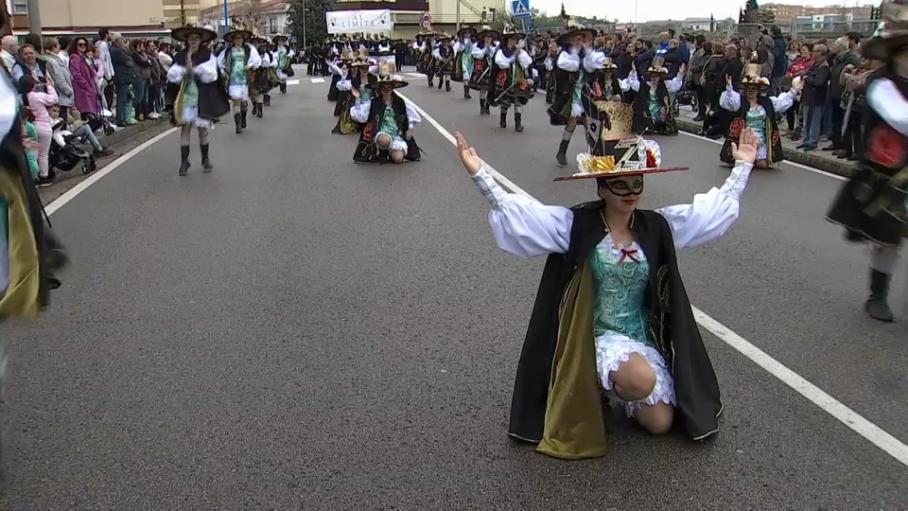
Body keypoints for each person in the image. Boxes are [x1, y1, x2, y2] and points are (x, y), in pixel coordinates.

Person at [452, 113, 761, 458]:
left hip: (639, 337)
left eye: (637, 183)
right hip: (591, 338)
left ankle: (612, 386)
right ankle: (593, 383)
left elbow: (707, 215)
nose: (631, 194)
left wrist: (742, 168)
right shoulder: (576, 225)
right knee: (641, 380)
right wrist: (480, 173)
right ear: (601, 185)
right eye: (620, 184)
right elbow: (521, 214)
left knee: (660, 423)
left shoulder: (655, 227)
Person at [827, 3, 908, 323]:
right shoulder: (881, 85)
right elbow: (901, 119)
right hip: (889, 173)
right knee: (888, 242)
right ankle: (878, 295)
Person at [166, 25, 229, 176]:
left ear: (201, 40)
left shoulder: (208, 55)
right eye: (190, 38)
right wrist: (184, 69)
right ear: (187, 40)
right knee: (185, 128)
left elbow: (212, 75)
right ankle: (184, 161)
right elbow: (172, 75)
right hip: (185, 96)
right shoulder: (180, 56)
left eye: (196, 38)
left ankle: (205, 158)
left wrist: (194, 70)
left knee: (202, 129)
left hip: (202, 96)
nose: (193, 41)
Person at [719, 62, 801, 169]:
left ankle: (756, 158)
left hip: (761, 140)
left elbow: (781, 102)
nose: (751, 91)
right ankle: (744, 157)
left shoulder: (767, 102)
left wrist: (794, 90)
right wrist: (729, 88)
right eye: (748, 88)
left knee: (762, 165)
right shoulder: (740, 101)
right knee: (745, 163)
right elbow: (730, 102)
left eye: (754, 89)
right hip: (745, 140)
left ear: (758, 90)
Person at [351, 67, 421, 164]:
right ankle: (382, 150)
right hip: (381, 133)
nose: (386, 90)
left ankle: (390, 152)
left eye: (389, 87)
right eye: (384, 87)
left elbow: (412, 116)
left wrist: (410, 128)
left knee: (398, 159)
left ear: (392, 88)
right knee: (385, 140)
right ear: (380, 88)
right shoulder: (374, 102)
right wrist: (358, 99)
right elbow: (360, 116)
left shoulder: (399, 102)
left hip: (396, 135)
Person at [217, 28, 262, 135]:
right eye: (236, 38)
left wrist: (249, 65)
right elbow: (219, 62)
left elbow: (257, 60)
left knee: (244, 103)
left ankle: (243, 118)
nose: (238, 40)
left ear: (243, 39)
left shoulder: (248, 49)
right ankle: (237, 125)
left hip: (245, 79)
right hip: (233, 80)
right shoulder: (228, 51)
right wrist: (224, 71)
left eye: (240, 38)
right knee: (236, 100)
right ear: (233, 40)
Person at [622, 56, 682, 135]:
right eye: (652, 76)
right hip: (646, 111)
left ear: (660, 77)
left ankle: (659, 124)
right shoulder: (644, 85)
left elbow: (675, 86)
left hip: (658, 112)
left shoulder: (664, 85)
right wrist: (633, 72)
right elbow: (633, 83)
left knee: (663, 110)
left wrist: (680, 74)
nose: (654, 78)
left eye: (656, 76)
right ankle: (649, 123)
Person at [488, 31, 534, 132]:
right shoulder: (501, 52)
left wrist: (530, 76)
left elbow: (528, 64)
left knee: (518, 101)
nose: (516, 41)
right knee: (505, 101)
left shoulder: (521, 52)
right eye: (514, 39)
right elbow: (501, 64)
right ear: (509, 40)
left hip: (519, 79)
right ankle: (503, 119)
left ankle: (518, 124)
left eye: (517, 39)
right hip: (506, 79)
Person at [19, 75, 57, 187]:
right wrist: (49, 86)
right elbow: (54, 99)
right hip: (44, 125)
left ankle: (33, 177)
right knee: (43, 154)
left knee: (33, 154)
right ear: (33, 85)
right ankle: (44, 176)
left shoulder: (20, 98)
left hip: (30, 126)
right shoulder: (36, 96)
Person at [798, 44, 830, 151]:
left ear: (821, 53)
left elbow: (819, 82)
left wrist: (807, 78)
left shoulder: (824, 67)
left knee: (814, 121)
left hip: (816, 98)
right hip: (808, 96)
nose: (813, 53)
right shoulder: (815, 64)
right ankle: (806, 139)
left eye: (816, 51)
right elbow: (810, 73)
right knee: (807, 119)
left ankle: (812, 141)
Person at [333, 58, 375, 135]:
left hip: (371, 102)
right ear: (359, 69)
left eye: (366, 68)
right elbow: (354, 95)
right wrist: (358, 98)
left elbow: (377, 93)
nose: (365, 70)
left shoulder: (373, 78)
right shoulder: (355, 81)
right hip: (359, 103)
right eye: (363, 68)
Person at [68, 36, 102, 120]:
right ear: (75, 45)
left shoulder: (83, 57)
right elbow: (76, 74)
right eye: (80, 44)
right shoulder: (74, 57)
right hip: (82, 90)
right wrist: (86, 86)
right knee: (86, 112)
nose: (83, 46)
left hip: (88, 88)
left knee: (90, 112)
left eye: (84, 44)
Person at [42, 37, 75, 122]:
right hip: (61, 95)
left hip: (62, 95)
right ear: (53, 47)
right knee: (61, 119)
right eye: (58, 45)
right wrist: (69, 91)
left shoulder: (56, 59)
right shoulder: (52, 61)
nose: (59, 47)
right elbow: (59, 79)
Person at [469, 27, 499, 116]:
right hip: (483, 69)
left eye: (490, 37)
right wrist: (485, 48)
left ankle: (487, 107)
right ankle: (482, 107)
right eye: (486, 37)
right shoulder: (478, 46)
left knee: (491, 89)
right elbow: (477, 55)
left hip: (493, 69)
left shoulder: (495, 46)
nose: (488, 38)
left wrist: (491, 49)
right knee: (483, 89)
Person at [110, 33, 136, 126]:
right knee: (121, 99)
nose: (123, 41)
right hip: (121, 78)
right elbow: (129, 61)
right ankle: (120, 119)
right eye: (121, 39)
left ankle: (124, 118)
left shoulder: (120, 50)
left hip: (124, 78)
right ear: (117, 41)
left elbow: (130, 59)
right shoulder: (116, 51)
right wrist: (129, 59)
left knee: (125, 98)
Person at [452, 27, 476, 99]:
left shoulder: (473, 41)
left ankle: (467, 91)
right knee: (465, 75)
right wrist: (455, 54)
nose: (467, 34)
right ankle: (466, 92)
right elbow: (456, 49)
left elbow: (475, 49)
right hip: (464, 58)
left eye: (469, 33)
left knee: (470, 74)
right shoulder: (460, 42)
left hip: (471, 59)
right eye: (466, 33)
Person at [95, 28, 115, 108]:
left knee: (108, 96)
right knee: (108, 96)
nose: (111, 35)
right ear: (106, 35)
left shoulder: (103, 45)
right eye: (110, 34)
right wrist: (108, 76)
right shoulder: (102, 45)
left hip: (106, 74)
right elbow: (104, 61)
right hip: (105, 75)